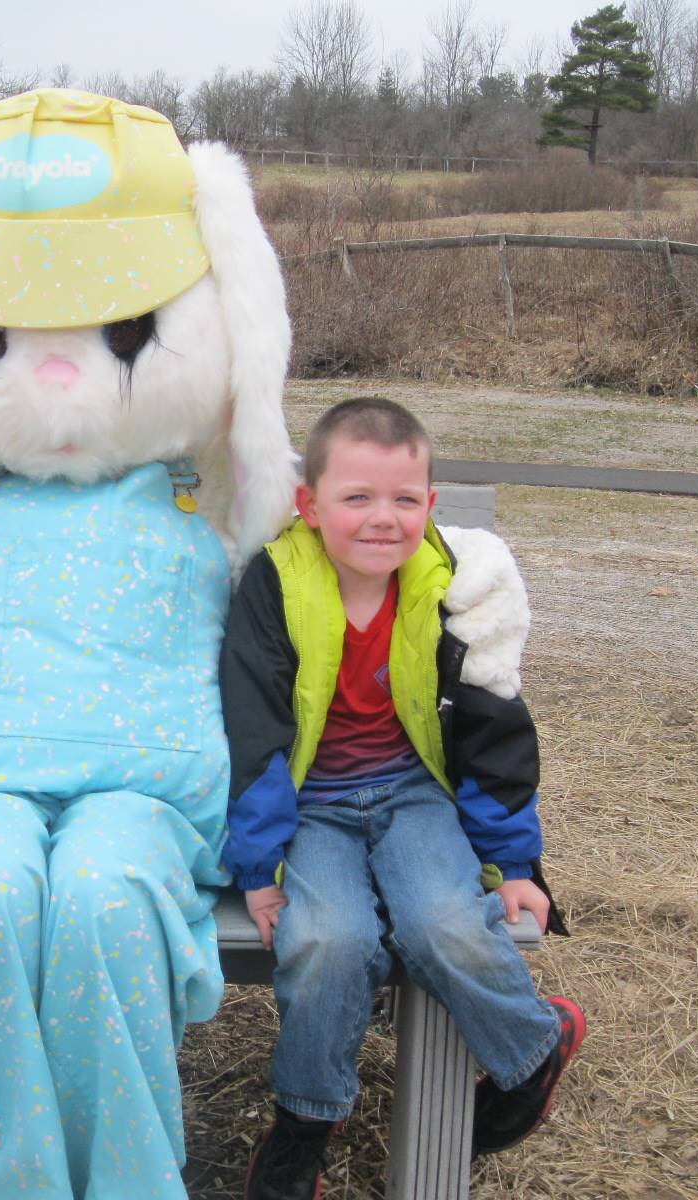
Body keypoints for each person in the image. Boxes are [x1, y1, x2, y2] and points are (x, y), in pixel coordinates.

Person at [220, 397, 585, 1200]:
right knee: (327, 940)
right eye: (357, 498)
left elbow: (494, 728)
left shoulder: (452, 586)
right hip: (311, 805)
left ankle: (532, 1050)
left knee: (445, 923)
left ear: (431, 504)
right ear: (308, 507)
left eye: (405, 499)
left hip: (416, 794)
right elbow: (253, 735)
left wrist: (513, 860)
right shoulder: (275, 585)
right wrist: (258, 864)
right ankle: (306, 1121)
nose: (383, 520)